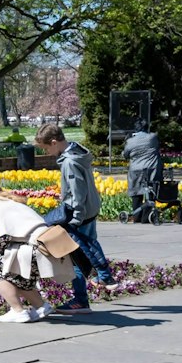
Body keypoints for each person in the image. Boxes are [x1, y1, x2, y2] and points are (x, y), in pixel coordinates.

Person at [0, 182, 84, 323]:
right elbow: (13, 236)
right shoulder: (11, 203)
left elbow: (4, 239)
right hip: (44, 246)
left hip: (32, 249)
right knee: (17, 274)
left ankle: (17, 311)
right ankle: (41, 307)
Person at [34, 123, 113, 312]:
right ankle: (98, 275)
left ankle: (81, 299)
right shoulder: (78, 154)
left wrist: (76, 218)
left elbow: (77, 192)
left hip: (78, 213)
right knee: (87, 246)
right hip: (89, 209)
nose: (47, 153)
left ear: (54, 142)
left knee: (74, 254)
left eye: (46, 148)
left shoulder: (69, 163)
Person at [124, 128, 162, 223]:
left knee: (136, 193)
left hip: (136, 169)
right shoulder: (152, 137)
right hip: (152, 168)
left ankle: (136, 217)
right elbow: (157, 148)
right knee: (151, 191)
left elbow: (126, 154)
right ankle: (146, 218)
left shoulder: (130, 141)